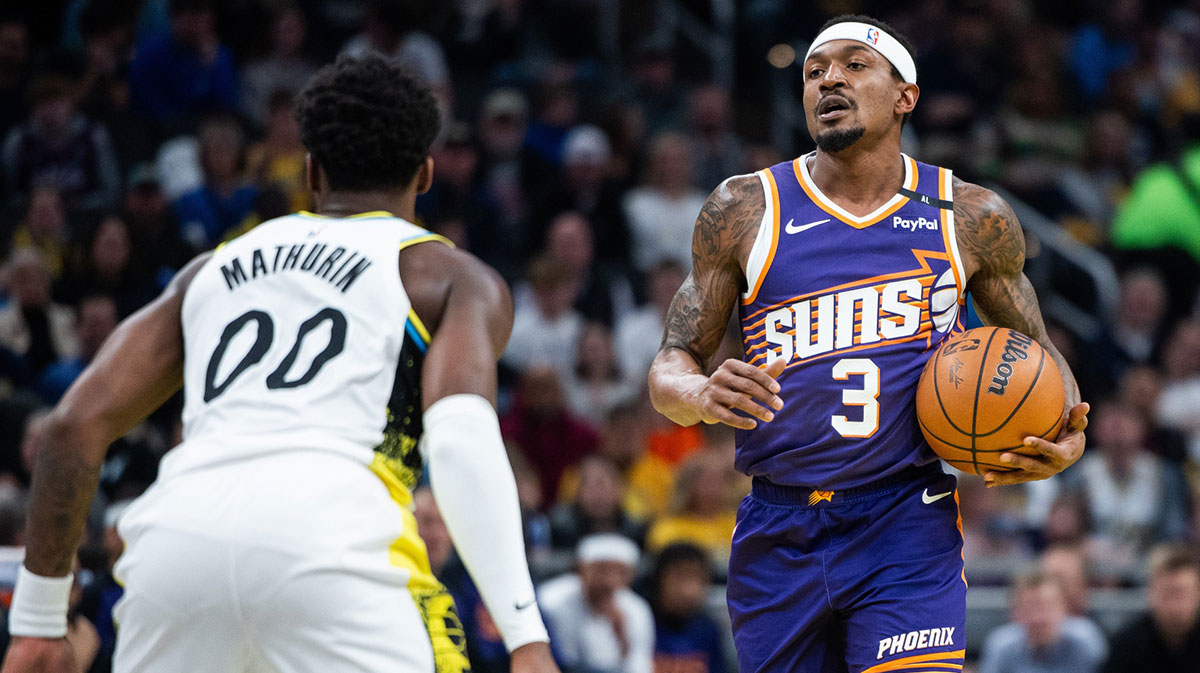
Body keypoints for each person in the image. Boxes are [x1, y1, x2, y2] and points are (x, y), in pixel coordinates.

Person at [1, 54, 559, 673]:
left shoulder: (207, 271)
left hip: (175, 550)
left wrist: (36, 622)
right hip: (334, 542)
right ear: (425, 174)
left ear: (312, 171)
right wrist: (525, 637)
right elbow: (461, 442)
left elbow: (70, 427)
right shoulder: (449, 277)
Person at [647, 15, 1089, 673]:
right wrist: (700, 390)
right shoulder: (744, 208)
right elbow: (668, 366)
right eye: (815, 71)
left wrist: (1069, 438)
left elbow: (1042, 359)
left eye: (855, 65)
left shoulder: (968, 215)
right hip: (778, 524)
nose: (829, 79)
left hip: (904, 518)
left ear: (905, 94)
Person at [538, 534, 654, 673]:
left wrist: (622, 639)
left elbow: (639, 666)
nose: (610, 581)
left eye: (621, 572)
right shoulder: (552, 600)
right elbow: (564, 661)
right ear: (581, 568)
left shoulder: (636, 609)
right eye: (602, 570)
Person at [977, 571, 1106, 673]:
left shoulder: (1085, 641)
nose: (1038, 617)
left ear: (1064, 609)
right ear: (1015, 613)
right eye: (1029, 608)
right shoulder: (1001, 645)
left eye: (1046, 607)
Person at [1102, 545, 1200, 672]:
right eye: (1167, 594)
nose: (1175, 607)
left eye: (1181, 594)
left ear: (1197, 594)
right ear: (1150, 593)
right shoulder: (1126, 646)